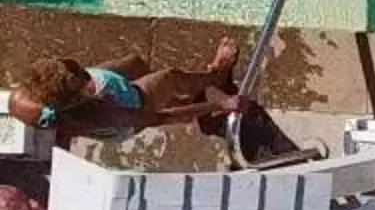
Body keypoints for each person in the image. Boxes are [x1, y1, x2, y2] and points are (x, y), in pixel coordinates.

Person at [6, 39, 243, 144]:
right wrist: (222, 105)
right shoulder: (101, 112)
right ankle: (218, 75)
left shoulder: (32, 97)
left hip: (111, 92)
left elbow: (24, 110)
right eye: (80, 74)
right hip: (133, 104)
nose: (79, 67)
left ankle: (185, 101)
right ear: (77, 95)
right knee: (169, 78)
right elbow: (161, 118)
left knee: (135, 63)